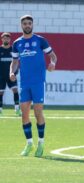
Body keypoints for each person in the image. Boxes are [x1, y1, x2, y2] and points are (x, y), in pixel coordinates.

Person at [10, 15, 57, 157]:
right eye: (24, 23)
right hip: (25, 83)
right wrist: (12, 72)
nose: (27, 25)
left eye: (29, 23)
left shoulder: (40, 40)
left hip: (38, 82)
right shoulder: (17, 43)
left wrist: (53, 64)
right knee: (24, 115)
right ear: (21, 26)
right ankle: (29, 143)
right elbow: (15, 61)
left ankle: (41, 143)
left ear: (32, 25)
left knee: (38, 114)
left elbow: (53, 56)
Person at [0, 32, 21, 116]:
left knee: (15, 90)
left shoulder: (13, 49)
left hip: (11, 75)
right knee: (1, 92)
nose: (6, 39)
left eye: (7, 38)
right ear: (2, 39)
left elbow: (16, 62)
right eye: (4, 38)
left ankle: (17, 109)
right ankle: (0, 109)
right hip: (1, 76)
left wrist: (14, 72)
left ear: (10, 39)